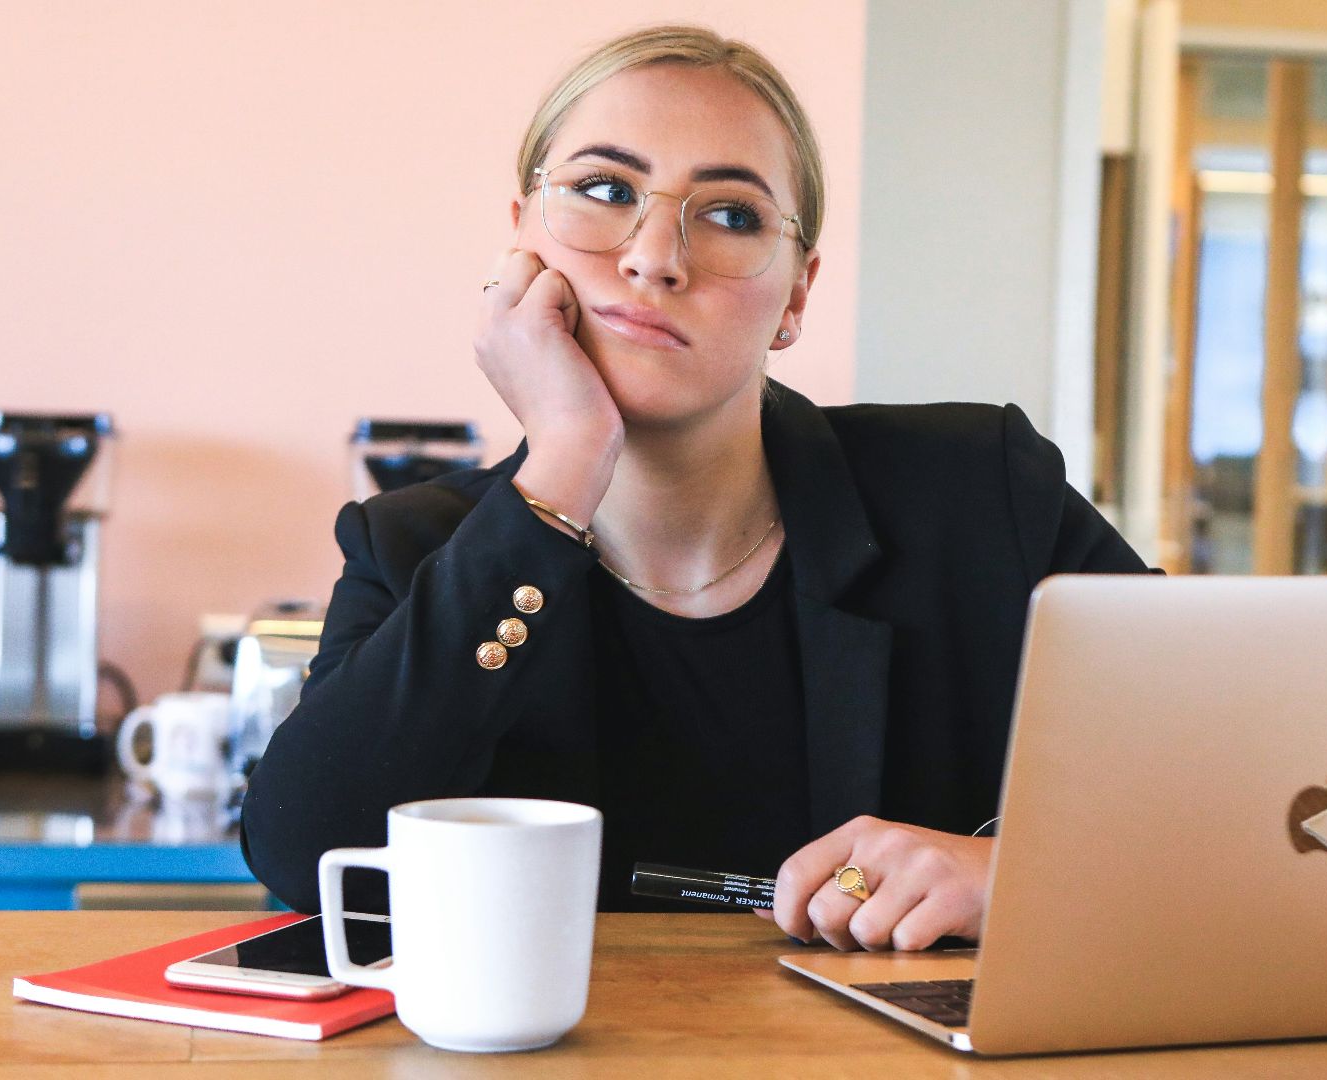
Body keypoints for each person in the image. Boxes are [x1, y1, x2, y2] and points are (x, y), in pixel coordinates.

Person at [240, 24, 1151, 953]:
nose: (653, 256)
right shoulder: (413, 546)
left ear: (797, 294)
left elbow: (1249, 784)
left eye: (730, 215)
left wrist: (1019, 876)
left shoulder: (978, 491)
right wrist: (562, 464)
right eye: (604, 191)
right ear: (519, 237)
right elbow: (307, 855)